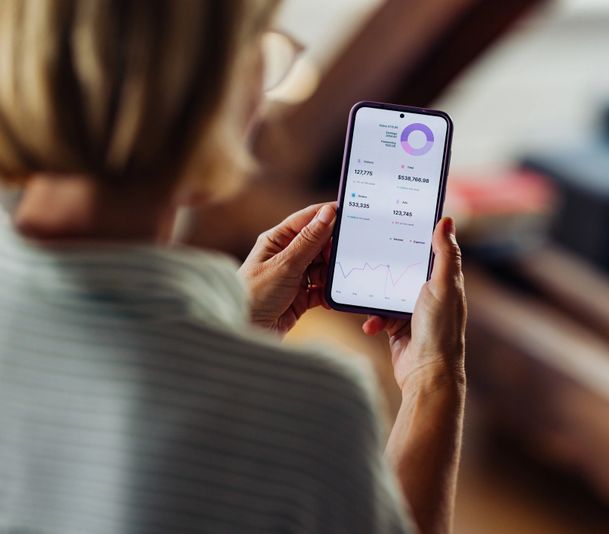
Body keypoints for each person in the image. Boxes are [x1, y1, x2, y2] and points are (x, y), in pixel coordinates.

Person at [0, 1, 466, 534]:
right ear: (210, 100)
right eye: (263, 51)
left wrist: (230, 330)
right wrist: (435, 380)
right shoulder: (312, 406)